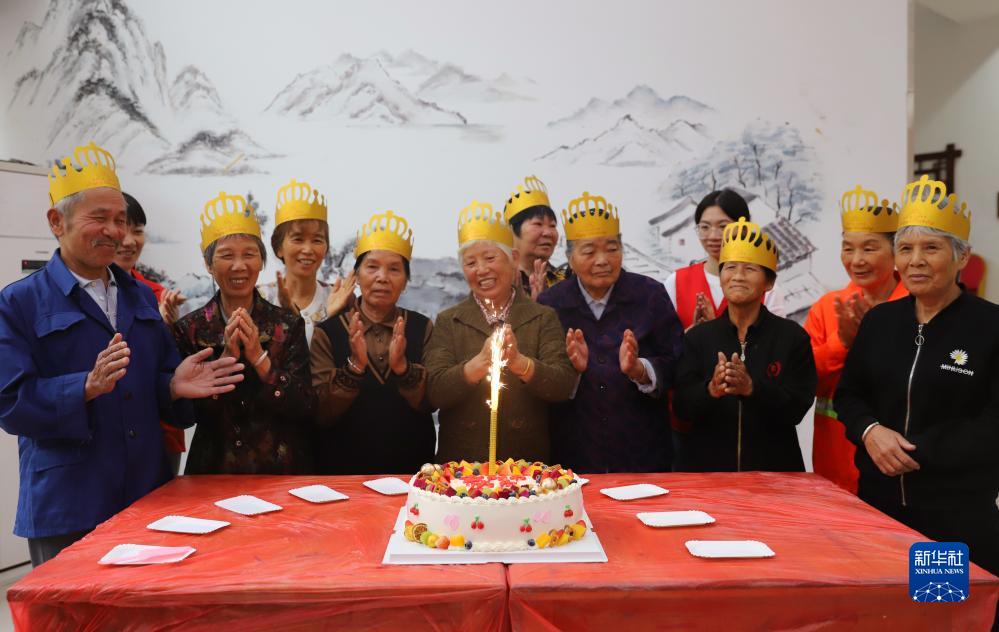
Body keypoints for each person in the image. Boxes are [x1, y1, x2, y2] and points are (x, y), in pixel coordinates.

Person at [0, 143, 243, 566]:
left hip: (146, 495)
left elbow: (158, 382)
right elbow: (10, 403)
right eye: (99, 218)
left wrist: (173, 386)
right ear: (56, 221)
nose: (114, 231)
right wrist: (84, 387)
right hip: (69, 501)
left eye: (120, 220)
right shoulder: (19, 303)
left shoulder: (140, 297)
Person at [835, 175, 999, 579]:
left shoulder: (990, 327)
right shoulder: (879, 321)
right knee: (879, 605)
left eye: (932, 248)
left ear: (962, 257)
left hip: (953, 515)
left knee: (938, 605)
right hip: (878, 508)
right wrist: (871, 431)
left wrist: (915, 450)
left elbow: (993, 421)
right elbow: (848, 395)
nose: (916, 260)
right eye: (905, 249)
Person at [538, 192, 682, 472]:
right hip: (574, 454)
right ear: (569, 257)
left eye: (612, 248)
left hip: (642, 453)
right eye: (589, 252)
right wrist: (572, 372)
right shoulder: (551, 304)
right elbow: (541, 380)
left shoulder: (650, 295)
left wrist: (641, 370)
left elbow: (677, 361)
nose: (603, 260)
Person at [172, 191, 315, 474]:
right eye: (227, 255)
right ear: (209, 264)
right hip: (212, 472)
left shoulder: (287, 325)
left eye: (249, 254)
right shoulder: (189, 330)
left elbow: (305, 406)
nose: (239, 266)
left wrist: (261, 360)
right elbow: (184, 416)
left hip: (278, 471)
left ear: (261, 262)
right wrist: (226, 358)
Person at [424, 200, 576, 463]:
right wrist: (479, 364)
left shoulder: (542, 317)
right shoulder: (449, 320)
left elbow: (562, 385)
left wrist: (520, 363)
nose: (482, 270)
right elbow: (434, 392)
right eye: (471, 263)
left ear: (514, 259)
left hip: (527, 466)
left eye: (490, 258)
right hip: (462, 467)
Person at [674, 217, 816, 472]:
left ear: (769, 282)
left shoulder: (793, 338)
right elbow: (681, 407)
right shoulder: (698, 338)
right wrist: (711, 389)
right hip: (708, 475)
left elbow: (797, 408)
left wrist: (752, 388)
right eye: (730, 268)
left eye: (750, 269)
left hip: (775, 475)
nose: (738, 277)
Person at [310, 210, 435, 474]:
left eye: (394, 269)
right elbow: (321, 413)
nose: (382, 277)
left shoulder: (422, 327)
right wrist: (355, 367)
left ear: (406, 281)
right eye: (372, 267)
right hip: (342, 474)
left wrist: (402, 368)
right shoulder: (328, 332)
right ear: (356, 276)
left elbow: (431, 401)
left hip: (410, 473)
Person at [804, 186, 907, 493]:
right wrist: (842, 343)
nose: (857, 260)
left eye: (869, 248)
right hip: (836, 460)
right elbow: (806, 381)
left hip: (900, 459)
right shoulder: (827, 307)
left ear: (896, 252)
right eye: (848, 249)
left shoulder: (917, 307)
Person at [114, 192, 188, 476]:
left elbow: (175, 368)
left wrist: (170, 328)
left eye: (138, 231)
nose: (129, 241)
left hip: (161, 432)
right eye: (122, 229)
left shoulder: (157, 294)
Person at [665, 189, 785, 329]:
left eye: (723, 227)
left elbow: (778, 340)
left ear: (744, 229)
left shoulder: (765, 288)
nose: (713, 236)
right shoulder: (676, 282)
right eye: (705, 227)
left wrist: (715, 332)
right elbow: (663, 340)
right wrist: (691, 337)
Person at [258, 178, 355, 345]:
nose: (308, 249)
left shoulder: (340, 299)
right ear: (279, 247)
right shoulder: (260, 299)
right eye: (298, 239)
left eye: (317, 240)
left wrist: (329, 315)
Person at [504, 175, 568, 299]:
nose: (548, 233)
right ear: (512, 230)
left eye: (552, 225)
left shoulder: (566, 281)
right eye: (538, 224)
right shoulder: (497, 279)